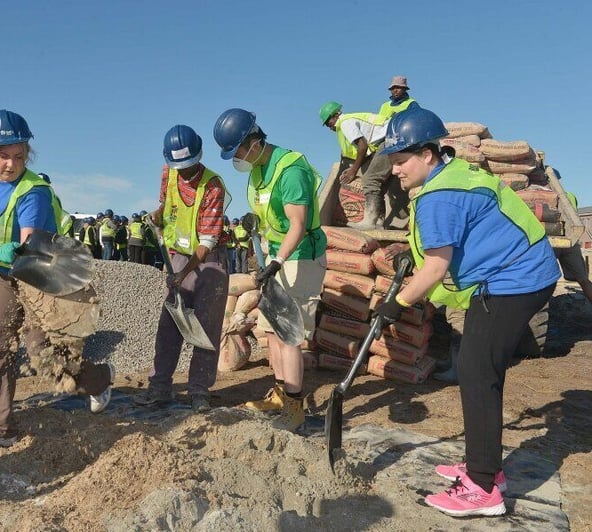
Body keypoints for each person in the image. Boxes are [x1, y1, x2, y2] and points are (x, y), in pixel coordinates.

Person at [372, 106, 560, 517]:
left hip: (515, 280)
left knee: (476, 372)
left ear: (427, 154)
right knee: (480, 370)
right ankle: (486, 465)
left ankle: (482, 487)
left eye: (401, 161)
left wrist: (396, 305)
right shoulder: (451, 177)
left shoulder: (440, 195)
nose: (396, 171)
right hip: (518, 272)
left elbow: (436, 268)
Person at [0, 109, 115, 450]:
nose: (11, 164)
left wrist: (17, 249)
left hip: (39, 277)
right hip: (4, 275)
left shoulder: (33, 192)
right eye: (3, 156)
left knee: (43, 354)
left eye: (18, 156)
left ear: (27, 153)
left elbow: (29, 240)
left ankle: (98, 380)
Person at [213, 108, 327, 432]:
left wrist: (278, 261)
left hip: (300, 258)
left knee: (289, 335)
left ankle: (294, 408)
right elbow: (266, 219)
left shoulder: (290, 170)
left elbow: (298, 225)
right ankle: (279, 395)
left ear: (252, 141)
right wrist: (262, 249)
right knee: (271, 332)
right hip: (274, 258)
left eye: (236, 150)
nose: (236, 158)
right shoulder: (257, 171)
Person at [132, 124, 230, 413]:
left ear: (199, 155)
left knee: (206, 327)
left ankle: (199, 390)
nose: (184, 172)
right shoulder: (169, 172)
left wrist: (183, 273)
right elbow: (166, 204)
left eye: (189, 166)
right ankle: (160, 387)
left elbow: (208, 242)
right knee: (169, 325)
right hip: (178, 256)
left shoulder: (213, 185)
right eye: (179, 167)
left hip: (208, 260)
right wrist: (158, 215)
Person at [320, 101, 409, 230]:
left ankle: (369, 222)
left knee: (370, 179)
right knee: (380, 185)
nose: (330, 127)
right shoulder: (348, 120)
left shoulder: (345, 123)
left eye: (329, 123)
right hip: (395, 138)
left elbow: (362, 145)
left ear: (335, 116)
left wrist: (353, 170)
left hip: (391, 139)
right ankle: (378, 222)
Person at [549, 174, 592, 302]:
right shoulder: (570, 196)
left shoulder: (544, 196)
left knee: (547, 279)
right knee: (584, 280)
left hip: (553, 240)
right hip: (571, 240)